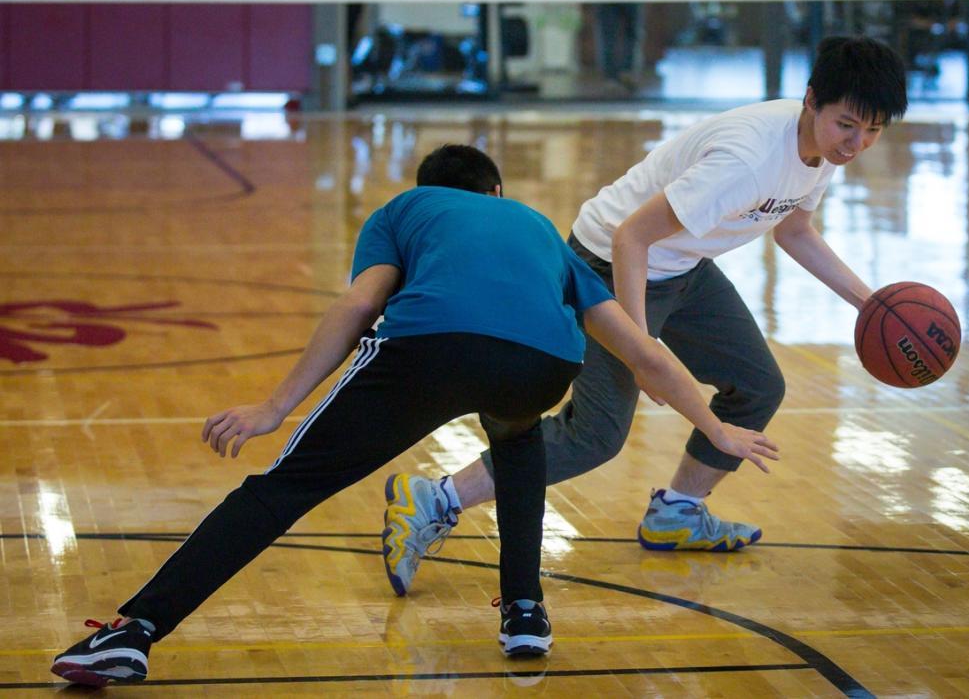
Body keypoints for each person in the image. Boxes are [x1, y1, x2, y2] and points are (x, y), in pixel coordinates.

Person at [50, 145, 778, 686]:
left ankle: (137, 630)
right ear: (496, 190)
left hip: (427, 349)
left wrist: (276, 406)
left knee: (281, 491)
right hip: (541, 367)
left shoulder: (403, 211)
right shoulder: (533, 227)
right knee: (520, 439)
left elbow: (359, 304)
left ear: (429, 192)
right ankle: (524, 613)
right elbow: (638, 348)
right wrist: (715, 429)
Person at [383, 36, 908, 596]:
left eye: (872, 131)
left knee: (758, 385)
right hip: (608, 262)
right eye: (847, 125)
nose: (857, 143)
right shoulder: (749, 160)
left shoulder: (818, 151)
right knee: (597, 435)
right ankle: (433, 499)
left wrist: (871, 305)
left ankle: (677, 513)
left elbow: (794, 230)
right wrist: (638, 347)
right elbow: (632, 235)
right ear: (811, 101)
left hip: (682, 265)